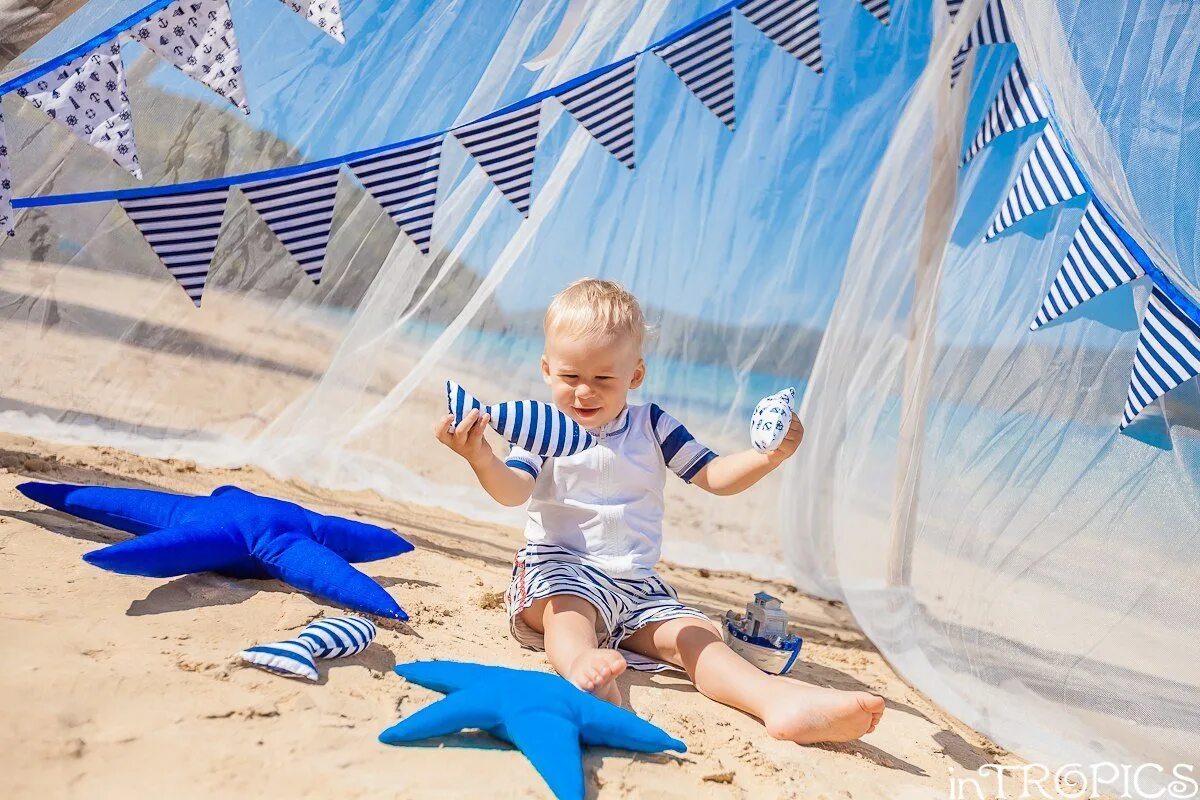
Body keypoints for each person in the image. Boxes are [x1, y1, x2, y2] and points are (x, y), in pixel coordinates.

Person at [432, 278, 884, 744]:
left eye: (603, 378)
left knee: (695, 636)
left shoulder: (653, 425)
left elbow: (713, 476)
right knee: (570, 613)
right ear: (547, 369)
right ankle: (583, 669)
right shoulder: (543, 429)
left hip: (639, 585)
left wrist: (768, 457)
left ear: (635, 375)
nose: (584, 392)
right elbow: (512, 491)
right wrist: (481, 457)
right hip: (561, 570)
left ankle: (776, 702)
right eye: (570, 377)